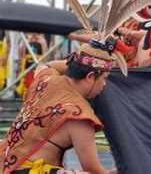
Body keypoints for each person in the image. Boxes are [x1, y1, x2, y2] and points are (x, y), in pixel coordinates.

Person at [0, 41, 118, 174]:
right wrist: (125, 169)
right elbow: (93, 170)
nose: (104, 84)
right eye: (104, 78)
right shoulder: (79, 115)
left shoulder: (45, 79)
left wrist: (79, 63)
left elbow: (45, 65)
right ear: (90, 77)